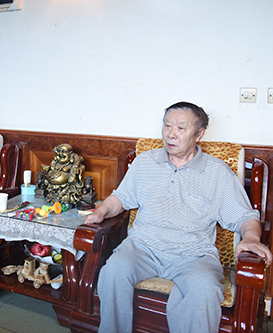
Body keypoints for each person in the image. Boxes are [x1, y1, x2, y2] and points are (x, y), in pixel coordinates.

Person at [85, 101, 273, 333]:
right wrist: (101, 212)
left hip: (193, 255)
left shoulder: (218, 172)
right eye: (167, 126)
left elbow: (245, 216)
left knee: (204, 289)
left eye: (181, 128)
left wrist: (252, 238)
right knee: (113, 271)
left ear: (199, 134)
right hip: (143, 247)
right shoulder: (145, 161)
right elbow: (121, 198)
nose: (170, 134)